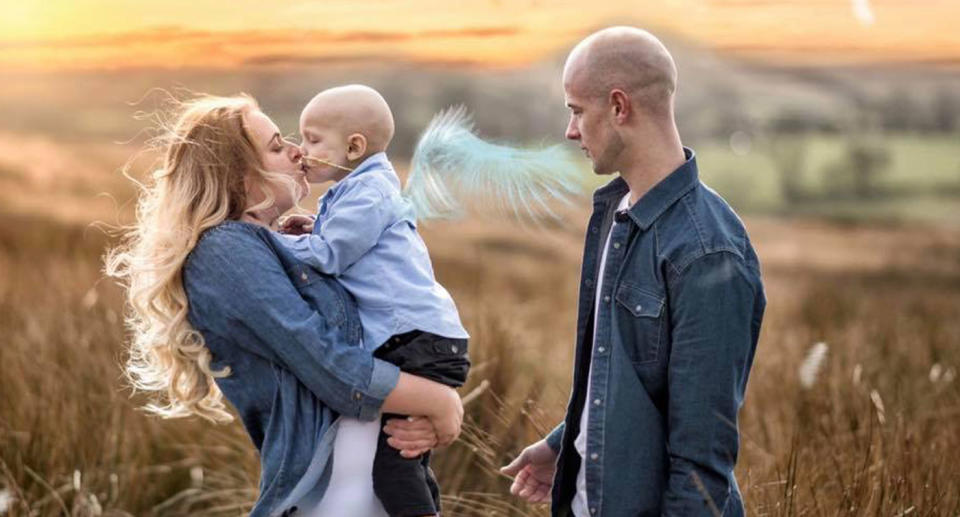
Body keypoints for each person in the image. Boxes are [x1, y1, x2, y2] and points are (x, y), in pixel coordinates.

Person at [106, 94, 463, 517]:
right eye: (277, 146)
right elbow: (324, 361)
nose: (297, 151)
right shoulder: (224, 250)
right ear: (237, 176)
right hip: (331, 498)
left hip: (368, 489)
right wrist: (440, 403)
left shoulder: (278, 248)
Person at [500, 27, 766, 516]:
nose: (570, 130)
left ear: (619, 106)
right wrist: (567, 444)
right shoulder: (618, 213)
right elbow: (627, 373)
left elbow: (700, 465)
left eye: (577, 110)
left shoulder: (707, 253)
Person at [278, 84, 470, 517]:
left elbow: (330, 256)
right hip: (423, 338)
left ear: (353, 146)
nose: (301, 149)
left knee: (391, 468)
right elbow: (344, 241)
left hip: (413, 342)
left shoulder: (368, 193)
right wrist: (313, 227)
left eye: (312, 139)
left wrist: (267, 242)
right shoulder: (360, 189)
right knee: (407, 454)